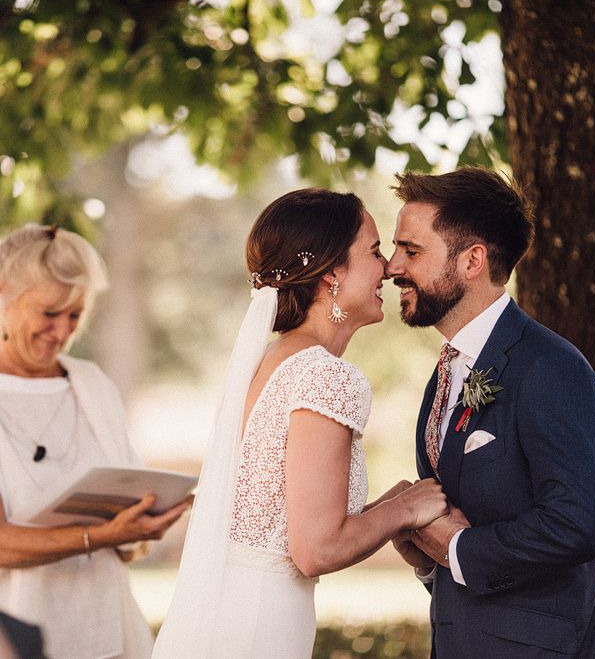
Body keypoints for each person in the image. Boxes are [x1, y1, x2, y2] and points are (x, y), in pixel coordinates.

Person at [153, 188, 448, 658]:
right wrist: (406, 509)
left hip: (234, 611)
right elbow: (315, 550)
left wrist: (387, 508)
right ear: (332, 272)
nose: (389, 268)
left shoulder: (274, 361)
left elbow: (291, 520)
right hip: (259, 628)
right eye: (374, 251)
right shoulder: (325, 375)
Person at [387, 168, 595, 658]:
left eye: (411, 251)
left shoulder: (550, 367)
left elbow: (581, 522)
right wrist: (428, 557)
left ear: (473, 259)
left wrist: (457, 548)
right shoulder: (447, 371)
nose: (392, 267)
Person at [0, 224, 193, 659]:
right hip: (16, 636)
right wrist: (99, 534)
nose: (62, 331)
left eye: (75, 315)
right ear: (4, 292)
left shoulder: (91, 383)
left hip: (107, 628)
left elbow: (127, 509)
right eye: (50, 312)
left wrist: (145, 521)